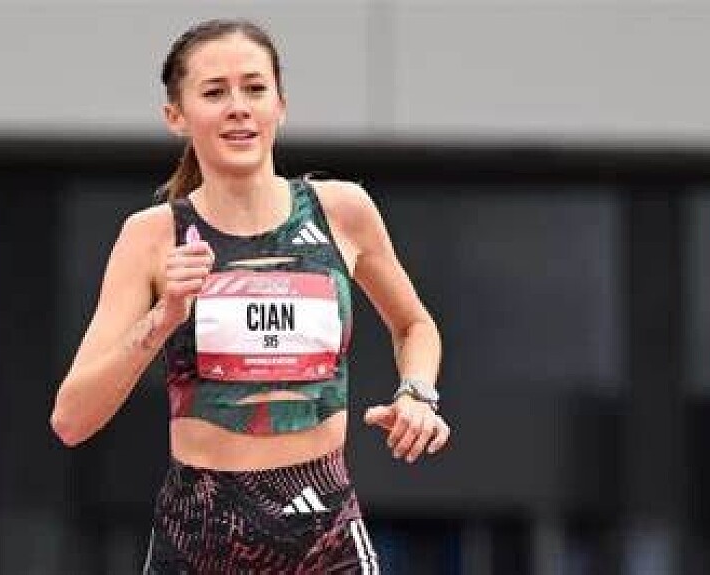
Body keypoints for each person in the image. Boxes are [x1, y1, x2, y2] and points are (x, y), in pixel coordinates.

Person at [50, 18, 449, 574]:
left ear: (281, 105)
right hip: (201, 538)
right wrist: (163, 318)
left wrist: (417, 395)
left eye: (255, 88)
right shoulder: (152, 236)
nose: (238, 107)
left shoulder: (343, 211)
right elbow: (72, 419)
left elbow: (414, 326)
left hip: (325, 538)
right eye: (215, 92)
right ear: (175, 115)